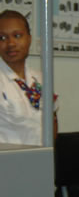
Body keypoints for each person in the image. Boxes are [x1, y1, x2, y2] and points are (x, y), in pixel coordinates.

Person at [0, 9, 57, 145]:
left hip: (39, 160)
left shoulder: (42, 79)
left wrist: (46, 152)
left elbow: (53, 119)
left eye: (17, 35)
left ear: (29, 38)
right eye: (2, 38)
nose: (11, 43)